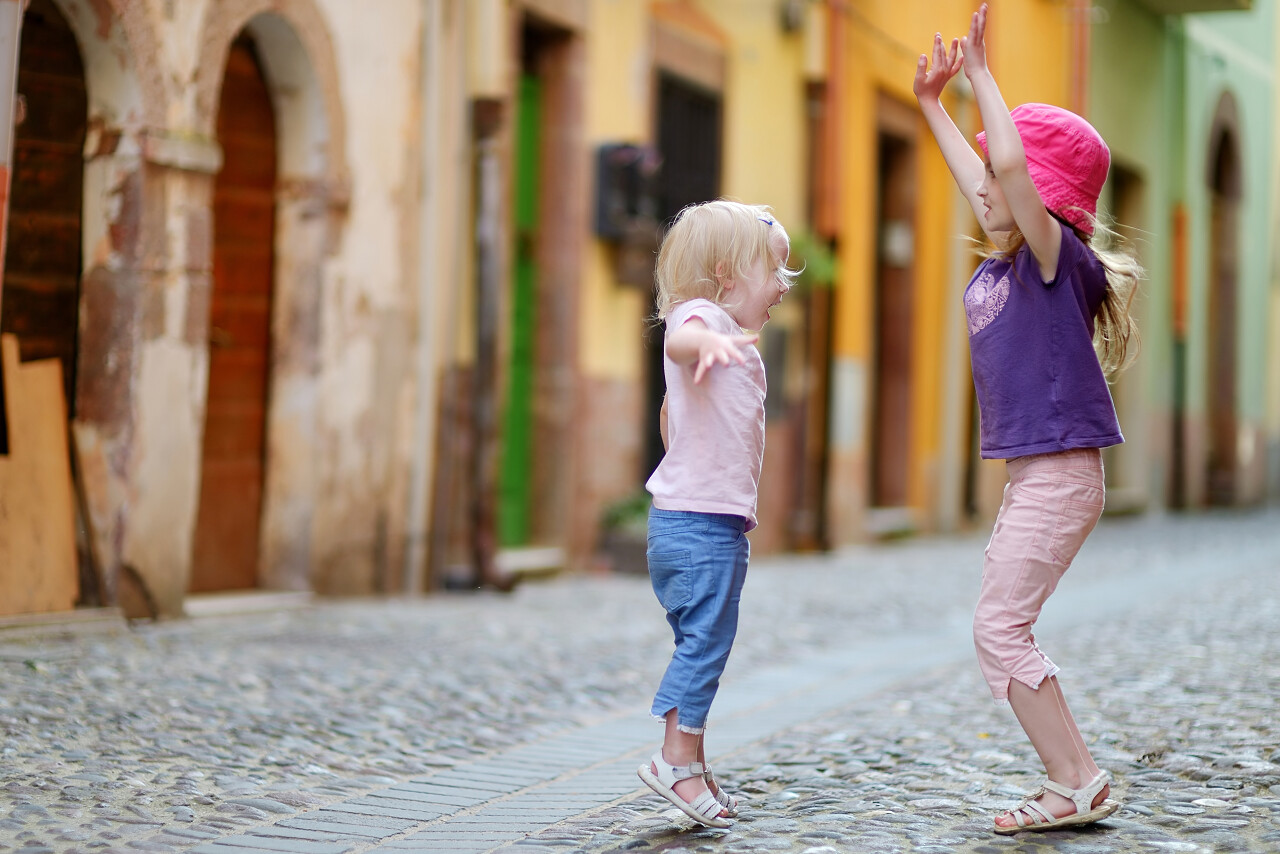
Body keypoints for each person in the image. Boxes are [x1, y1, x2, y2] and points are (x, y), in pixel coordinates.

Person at [913, 3, 1142, 835]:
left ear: (1037, 193)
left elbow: (1006, 167)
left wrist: (980, 74)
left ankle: (1073, 779)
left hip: (1060, 474)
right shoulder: (1009, 260)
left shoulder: (1054, 260)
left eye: (1000, 178)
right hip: (1035, 477)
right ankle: (1079, 780)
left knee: (999, 629)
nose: (985, 187)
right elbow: (988, 177)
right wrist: (932, 104)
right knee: (1002, 627)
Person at [636, 199, 797, 828]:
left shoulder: (727, 338)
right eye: (774, 270)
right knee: (705, 645)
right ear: (727, 275)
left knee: (701, 644)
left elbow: (669, 419)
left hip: (702, 524)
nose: (783, 285)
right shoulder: (702, 319)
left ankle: (694, 765)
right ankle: (675, 763)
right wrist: (705, 341)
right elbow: (681, 336)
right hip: (698, 526)